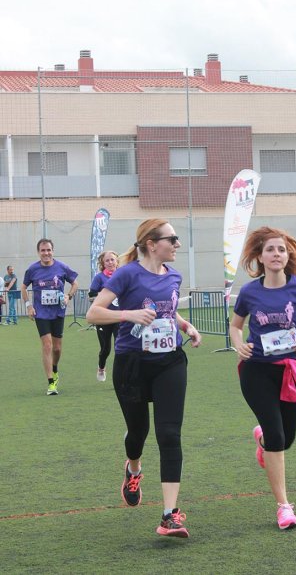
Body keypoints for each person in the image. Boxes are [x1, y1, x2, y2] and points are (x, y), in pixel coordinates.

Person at [86, 218, 201, 538]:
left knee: (169, 434)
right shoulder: (126, 274)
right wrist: (128, 314)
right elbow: (93, 313)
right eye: (172, 238)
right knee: (138, 433)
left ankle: (169, 515)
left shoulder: (174, 275)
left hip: (170, 362)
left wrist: (185, 326)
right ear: (152, 243)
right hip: (132, 363)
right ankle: (133, 469)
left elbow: (167, 310)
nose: (177, 244)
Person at [230, 226, 296, 530]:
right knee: (277, 437)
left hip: (293, 370)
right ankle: (284, 507)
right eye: (270, 249)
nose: (276, 254)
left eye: (282, 250)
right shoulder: (250, 291)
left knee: (286, 438)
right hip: (257, 369)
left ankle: (262, 437)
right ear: (260, 256)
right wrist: (239, 344)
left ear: (289, 256)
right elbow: (236, 326)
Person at [21, 239, 78, 396]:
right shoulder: (32, 269)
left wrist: (68, 296)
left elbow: (75, 283)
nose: (46, 253)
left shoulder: (61, 267)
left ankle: (55, 369)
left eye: (48, 250)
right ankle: (51, 383)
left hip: (58, 311)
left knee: (57, 348)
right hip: (41, 312)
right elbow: (23, 287)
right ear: (38, 252)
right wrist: (29, 306)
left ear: (53, 251)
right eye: (43, 250)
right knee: (47, 345)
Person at [88, 250, 120, 381]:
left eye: (112, 259)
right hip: (103, 318)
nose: (110, 262)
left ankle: (119, 375)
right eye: (107, 260)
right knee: (106, 348)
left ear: (117, 261)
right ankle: (101, 367)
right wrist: (103, 296)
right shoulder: (99, 278)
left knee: (120, 347)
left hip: (120, 317)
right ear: (103, 263)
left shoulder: (122, 276)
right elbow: (91, 296)